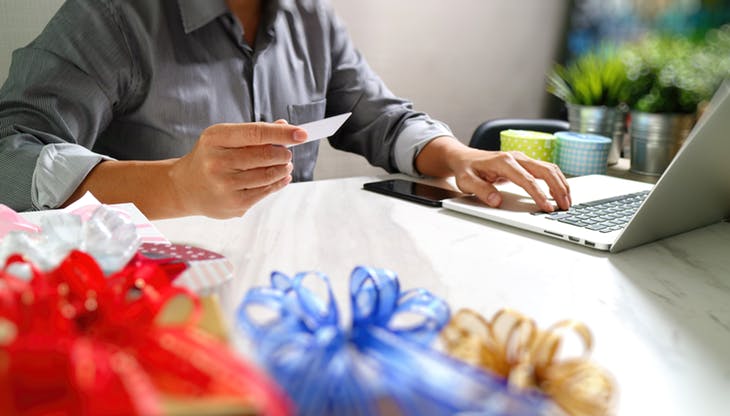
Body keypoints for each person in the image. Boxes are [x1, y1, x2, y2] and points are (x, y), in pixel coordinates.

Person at [0, 0, 571, 220]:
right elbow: (9, 151)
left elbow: (379, 118)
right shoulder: (113, 17)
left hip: (289, 287)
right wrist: (177, 184)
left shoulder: (311, 18)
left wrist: (458, 156)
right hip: (156, 306)